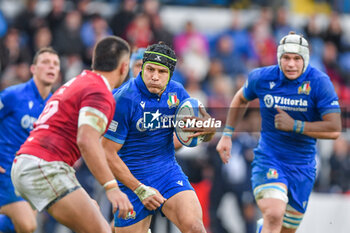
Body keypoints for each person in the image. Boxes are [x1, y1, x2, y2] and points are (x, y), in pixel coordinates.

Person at [216, 31, 341, 233]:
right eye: (286, 58)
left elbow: (335, 128)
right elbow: (240, 98)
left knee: (285, 229)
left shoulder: (319, 82)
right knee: (274, 214)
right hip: (269, 159)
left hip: (303, 167)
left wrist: (295, 125)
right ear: (279, 58)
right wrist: (227, 135)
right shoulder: (262, 77)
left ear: (305, 59)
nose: (291, 64)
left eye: (296, 59)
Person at [11, 36, 133, 233]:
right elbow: (86, 140)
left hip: (34, 164)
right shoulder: (99, 92)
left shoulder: (80, 81)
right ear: (124, 67)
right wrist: (112, 187)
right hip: (44, 166)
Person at [101, 42, 216, 233]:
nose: (154, 76)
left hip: (167, 172)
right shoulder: (124, 99)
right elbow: (107, 152)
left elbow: (198, 132)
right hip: (131, 179)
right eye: (150, 69)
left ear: (171, 74)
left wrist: (206, 130)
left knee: (195, 227)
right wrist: (139, 189)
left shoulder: (177, 91)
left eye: (161, 72)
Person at [0, 47, 60, 233]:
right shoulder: (13, 95)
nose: (51, 66)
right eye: (45, 62)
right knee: (28, 224)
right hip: (5, 171)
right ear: (33, 68)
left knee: (15, 227)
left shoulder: (55, 105)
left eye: (55, 64)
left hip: (30, 176)